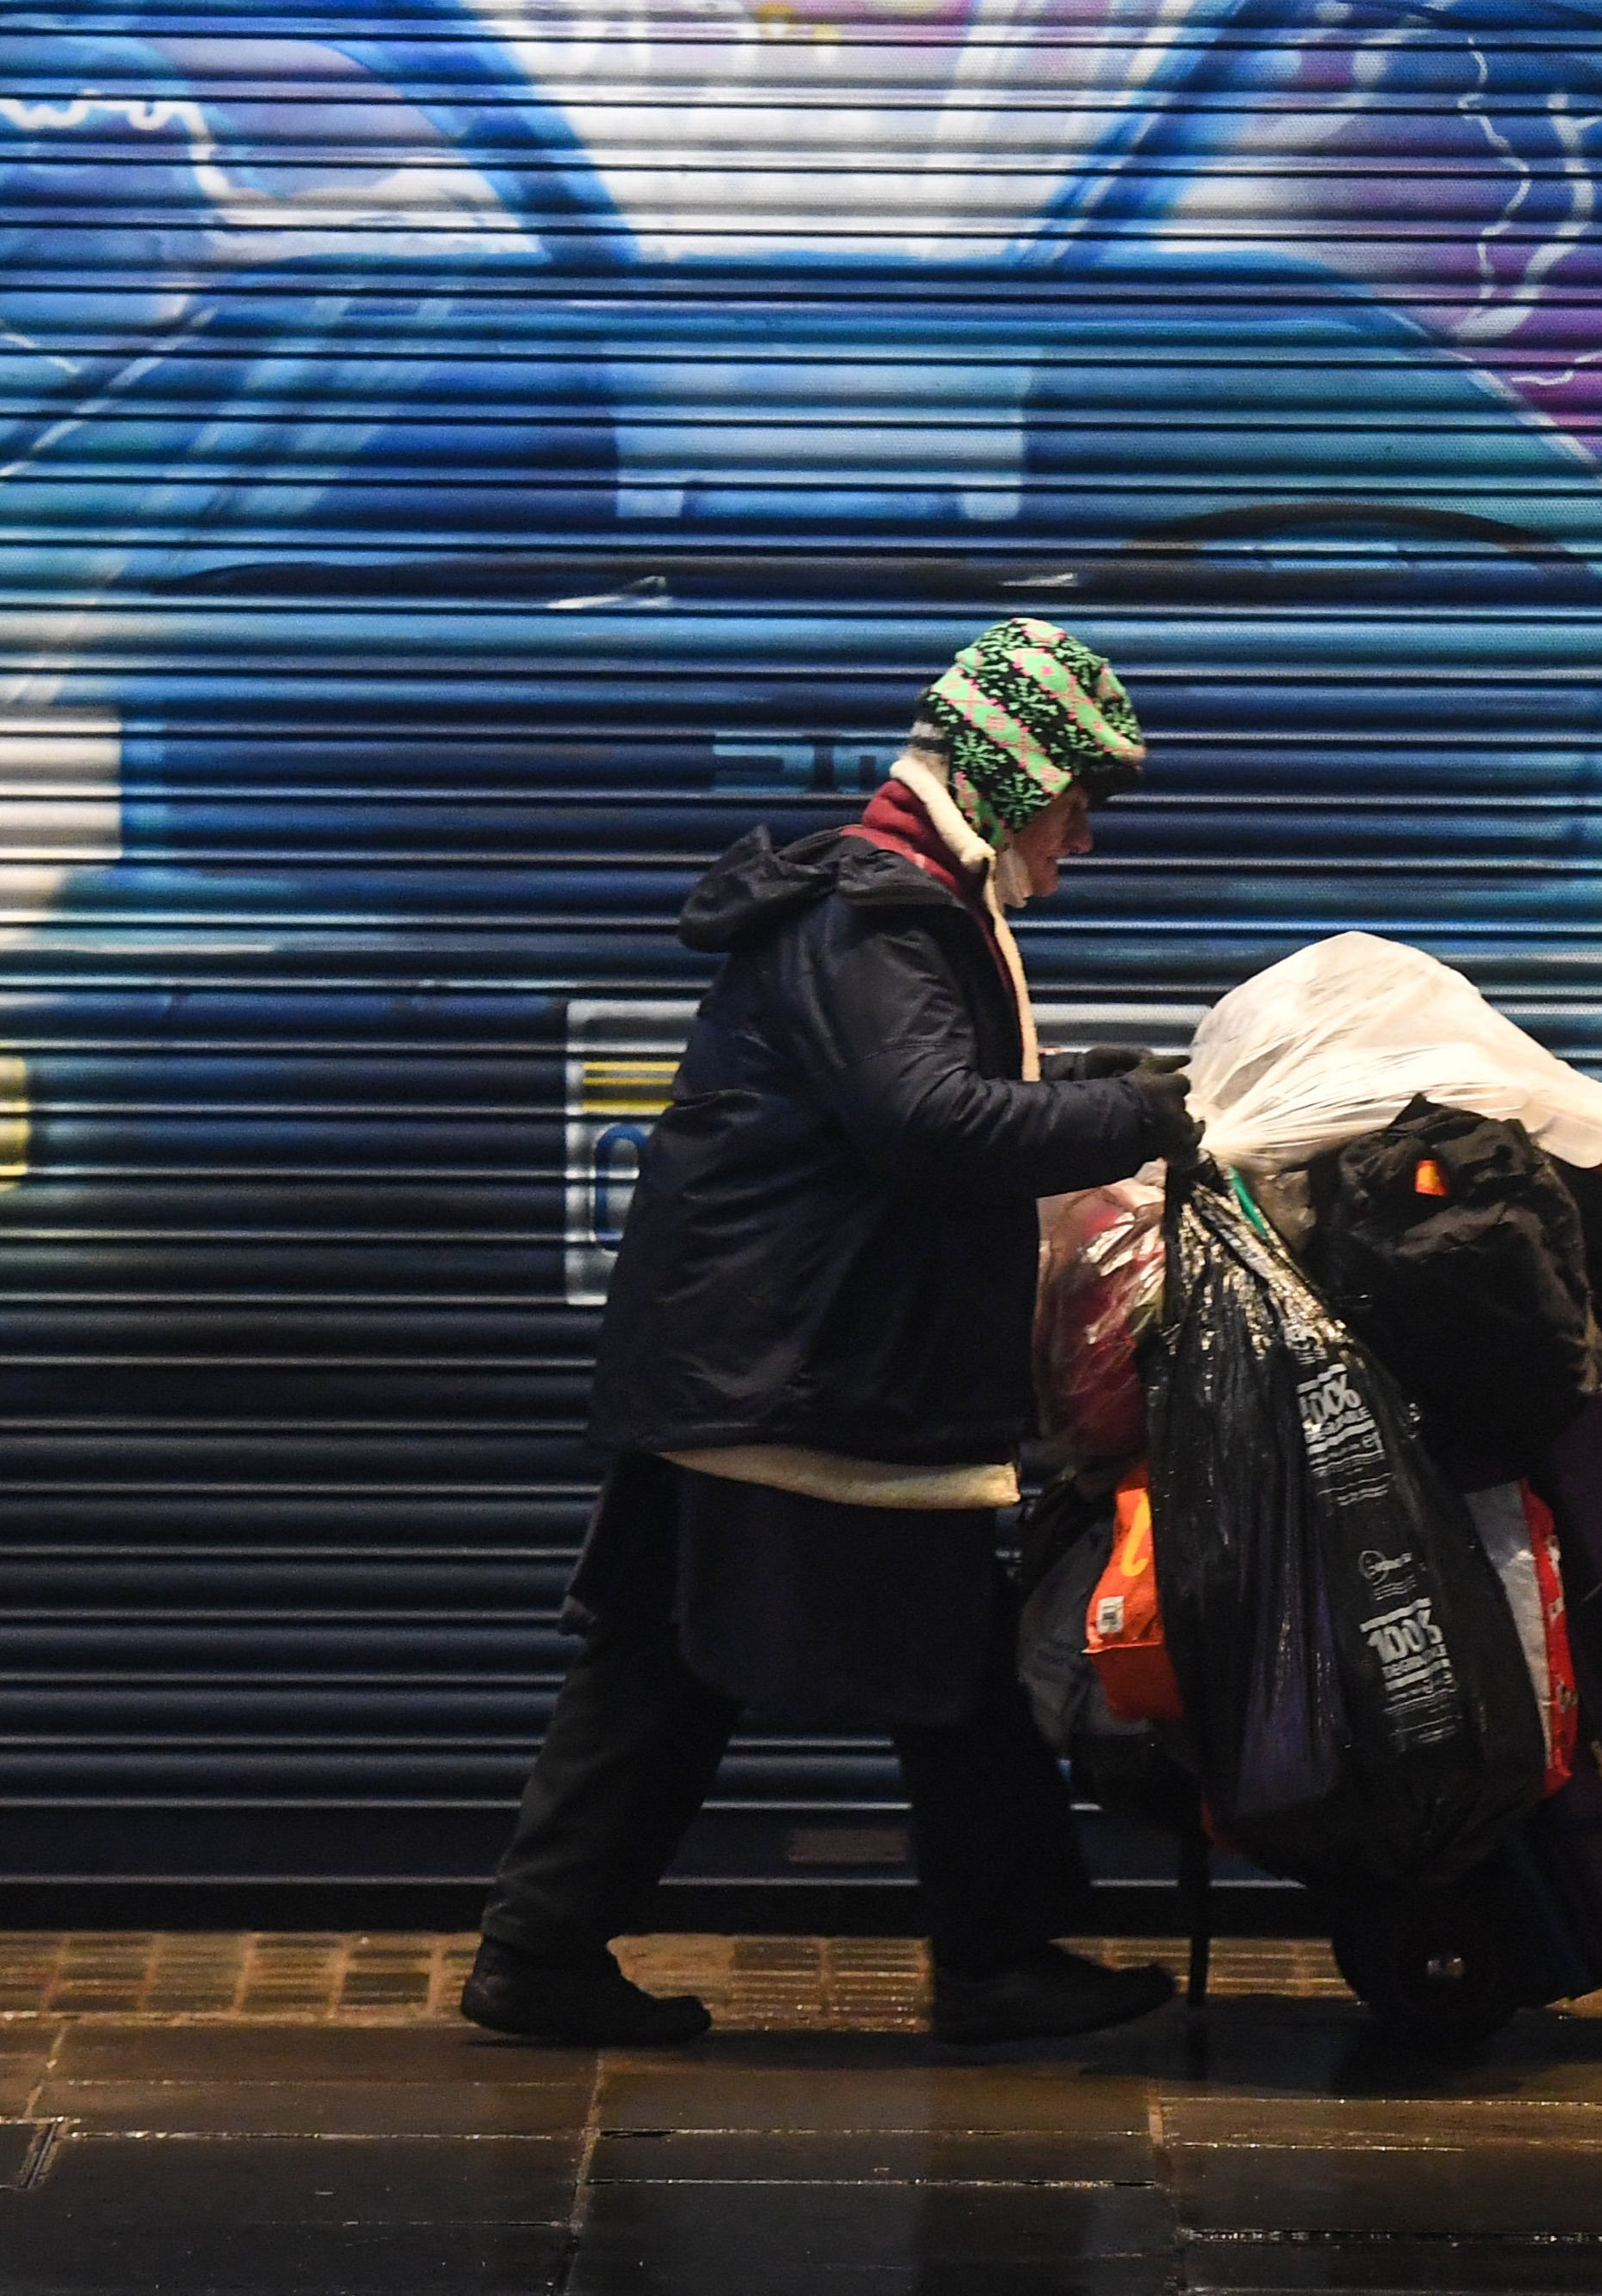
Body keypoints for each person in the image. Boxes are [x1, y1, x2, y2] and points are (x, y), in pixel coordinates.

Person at [467, 619, 1200, 2048]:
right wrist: (1149, 1115)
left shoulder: (898, 899)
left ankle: (542, 1950)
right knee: (946, 1679)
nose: (1085, 840)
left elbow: (926, 1101)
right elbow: (926, 1124)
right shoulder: (877, 916)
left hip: (770, 1358)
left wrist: (1091, 1085)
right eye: (1077, 802)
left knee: (672, 1668)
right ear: (1009, 775)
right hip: (808, 1374)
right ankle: (993, 1961)